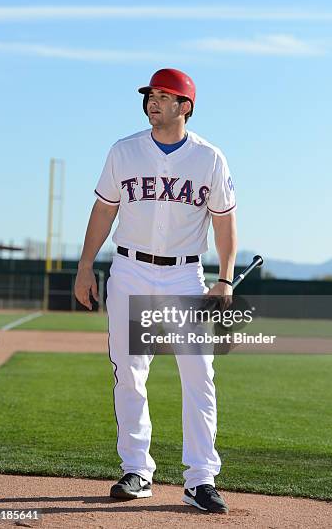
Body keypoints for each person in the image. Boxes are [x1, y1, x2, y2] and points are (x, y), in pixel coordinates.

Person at [75, 68, 237, 514]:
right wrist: (85, 265)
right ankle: (137, 470)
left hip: (186, 276)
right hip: (129, 270)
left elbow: (224, 222)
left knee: (199, 376)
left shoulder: (209, 158)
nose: (154, 102)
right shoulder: (124, 151)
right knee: (129, 374)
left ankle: (200, 479)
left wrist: (224, 278)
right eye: (151, 94)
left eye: (165, 97)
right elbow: (103, 210)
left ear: (185, 107)